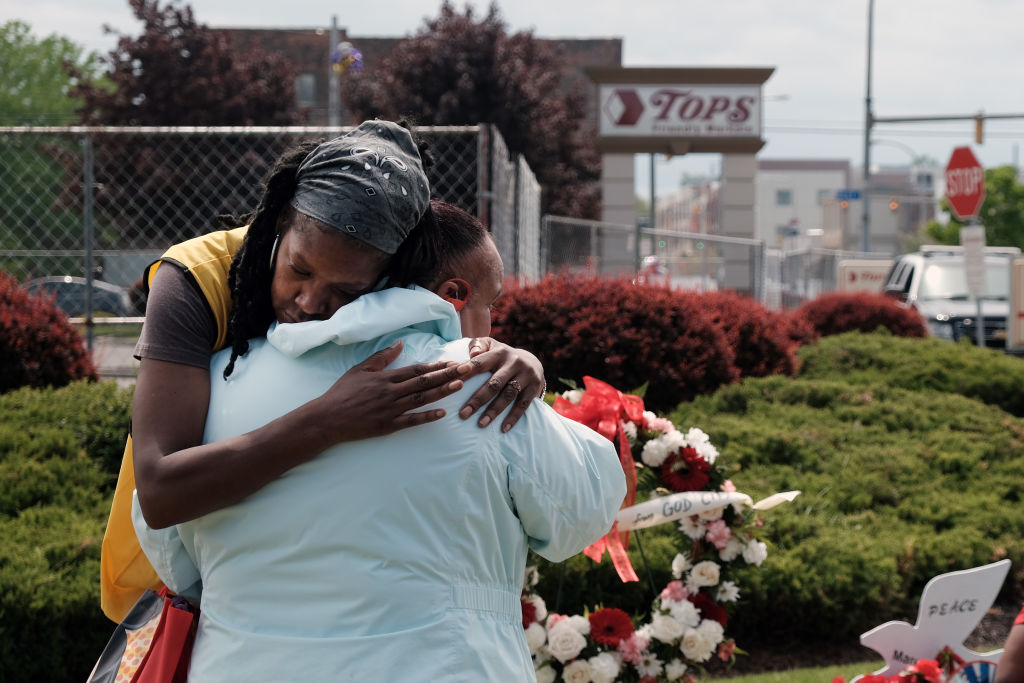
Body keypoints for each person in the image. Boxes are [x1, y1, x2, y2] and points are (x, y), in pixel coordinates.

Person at [133, 201, 625, 681]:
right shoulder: (484, 386)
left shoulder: (217, 381)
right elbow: (582, 515)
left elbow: (170, 553)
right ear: (453, 292)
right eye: (490, 304)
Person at [101, 120, 546, 621]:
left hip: (297, 592)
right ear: (282, 219)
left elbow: (451, 323)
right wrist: (329, 420)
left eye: (348, 291)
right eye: (299, 269)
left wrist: (507, 356)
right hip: (169, 589)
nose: (310, 302)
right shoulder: (194, 278)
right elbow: (161, 492)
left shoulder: (391, 288)